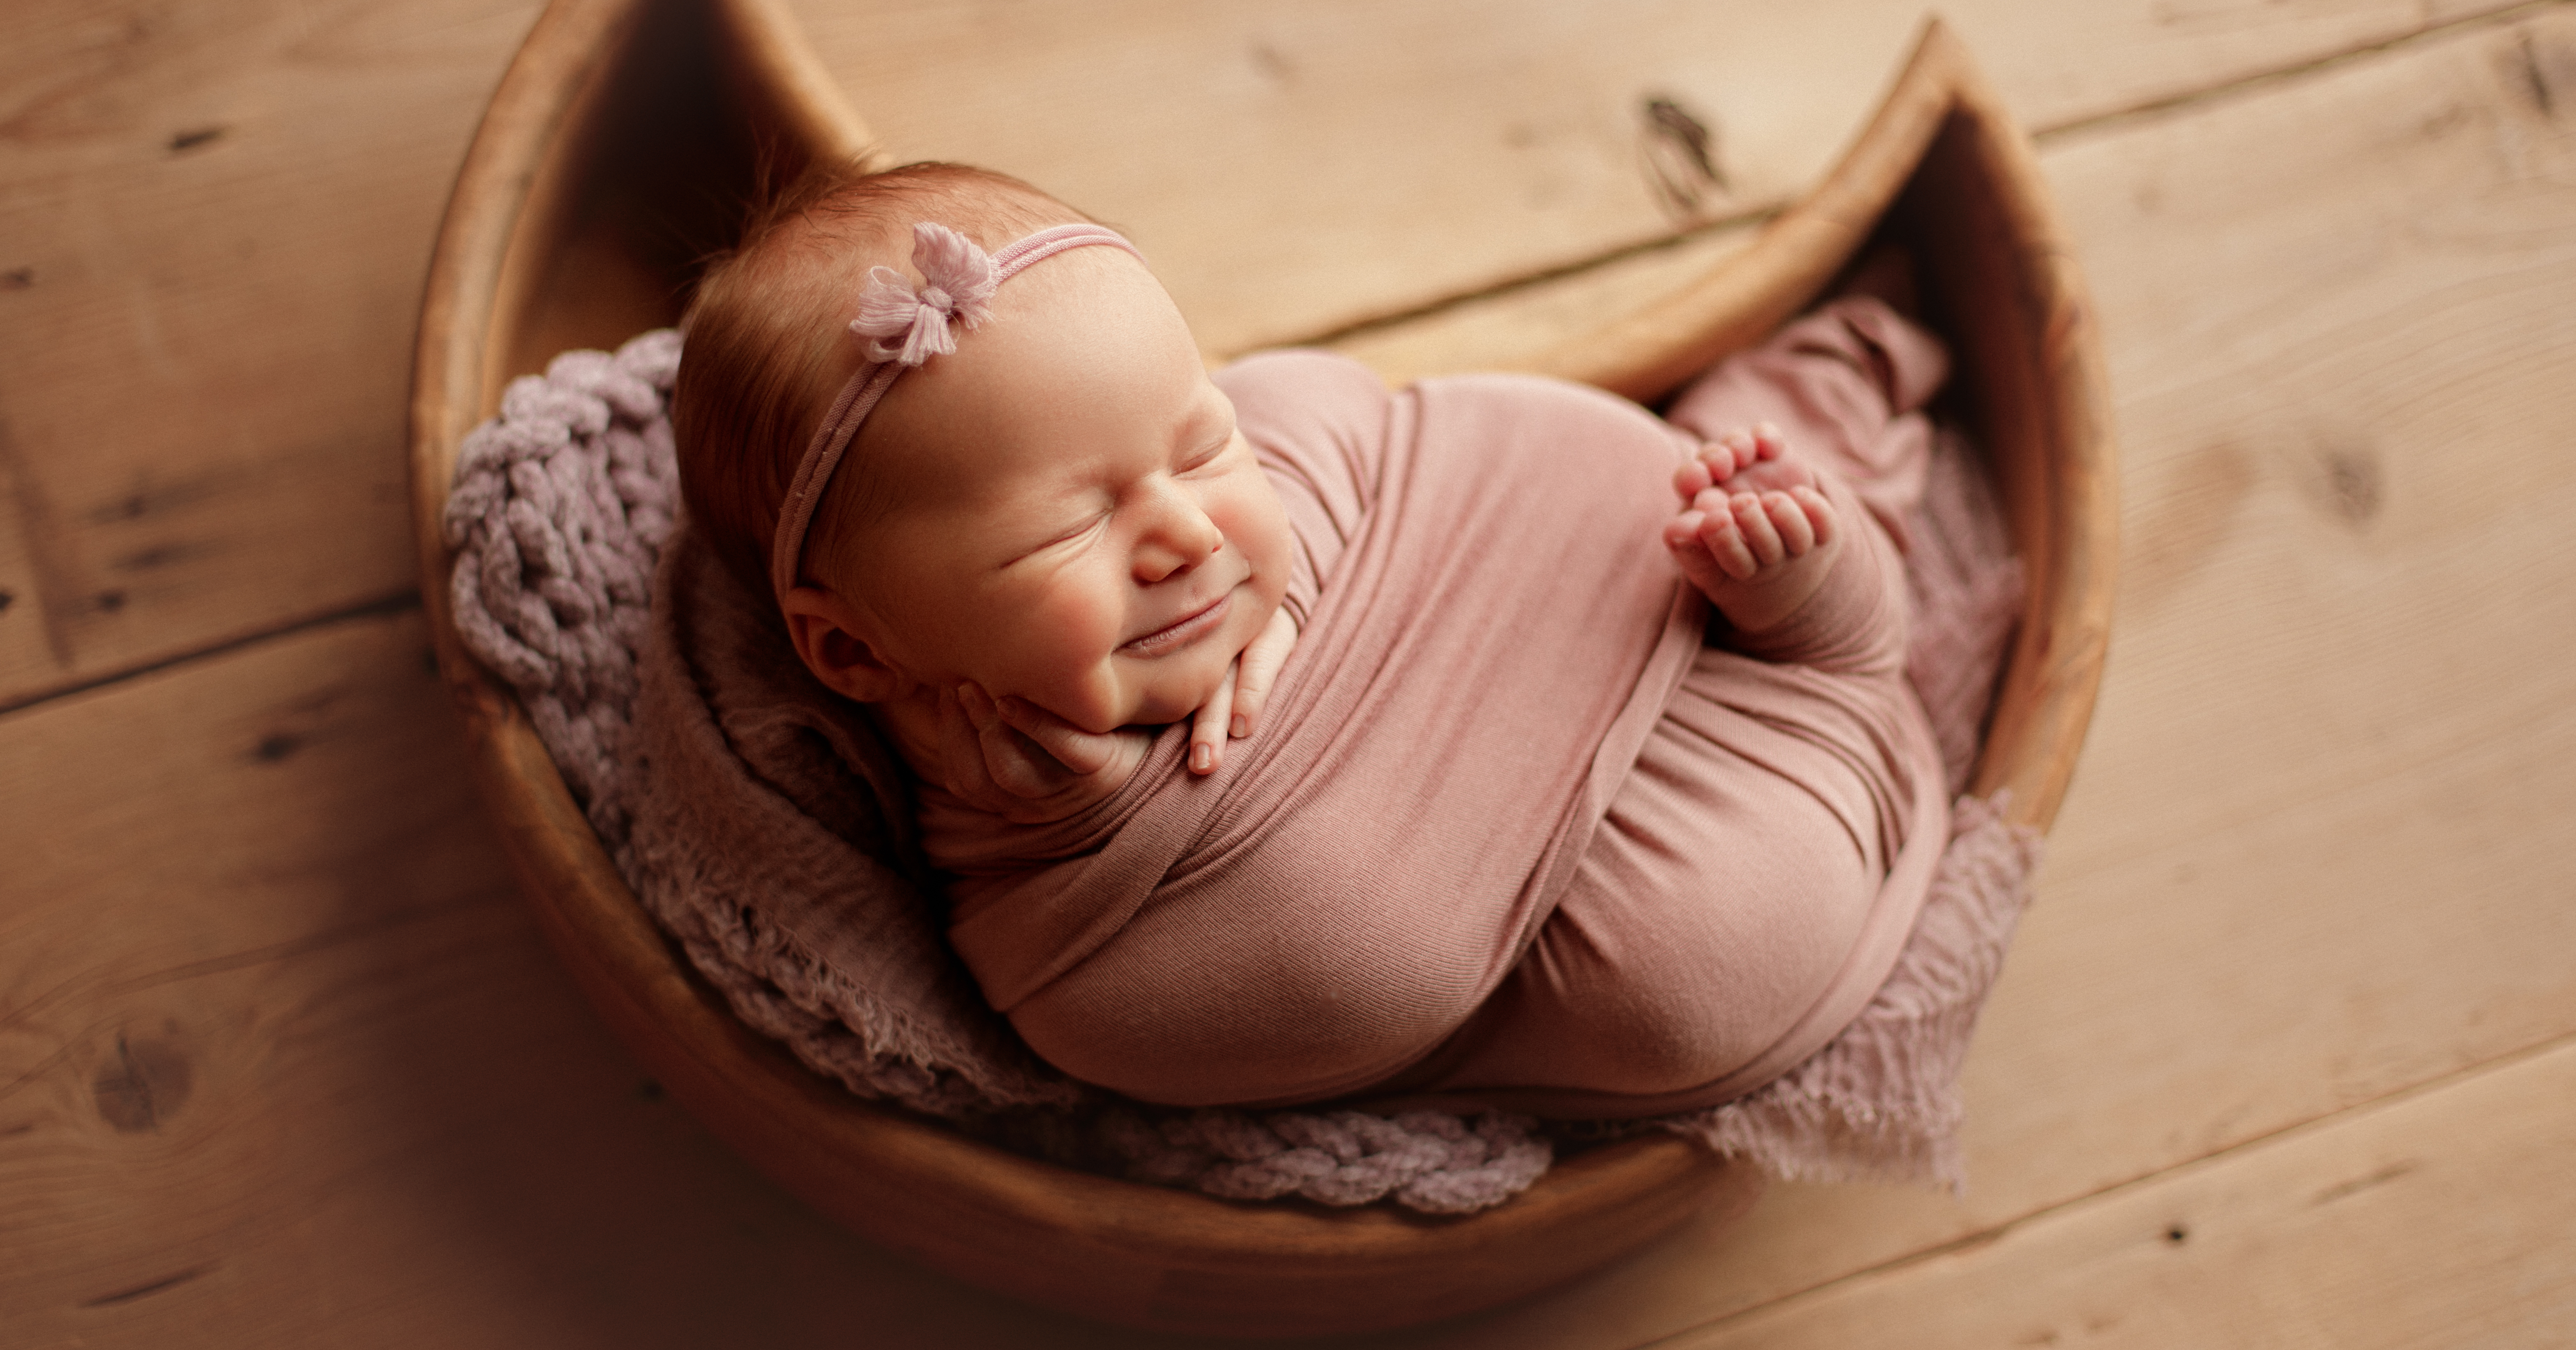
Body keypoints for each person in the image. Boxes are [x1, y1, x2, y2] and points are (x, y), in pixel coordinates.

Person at [672, 160, 1950, 1116]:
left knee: (1765, 505)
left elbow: (1341, 415)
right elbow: (1120, 1002)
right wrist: (1094, 820)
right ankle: (1826, 585)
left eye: (1196, 441)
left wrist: (1295, 598)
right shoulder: (1022, 851)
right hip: (1640, 928)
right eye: (1067, 530)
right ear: (855, 656)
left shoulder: (1290, 448)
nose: (1181, 531)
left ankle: (1831, 604)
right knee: (1661, 975)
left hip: (1713, 647)